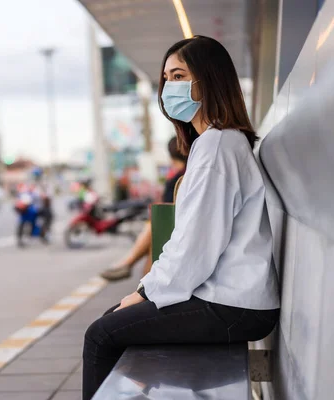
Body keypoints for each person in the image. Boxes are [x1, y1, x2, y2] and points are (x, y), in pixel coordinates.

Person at [82, 36, 280, 400]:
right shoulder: (216, 143)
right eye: (166, 79)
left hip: (234, 305)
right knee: (114, 321)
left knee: (101, 334)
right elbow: (191, 241)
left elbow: (196, 245)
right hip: (230, 298)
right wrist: (145, 293)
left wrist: (146, 292)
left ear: (208, 79)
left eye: (178, 76)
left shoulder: (218, 145)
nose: (168, 88)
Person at [100, 136, 187, 281]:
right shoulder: (187, 173)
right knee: (152, 247)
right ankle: (131, 269)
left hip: (172, 226)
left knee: (152, 236)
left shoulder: (181, 176)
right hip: (172, 225)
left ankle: (129, 264)